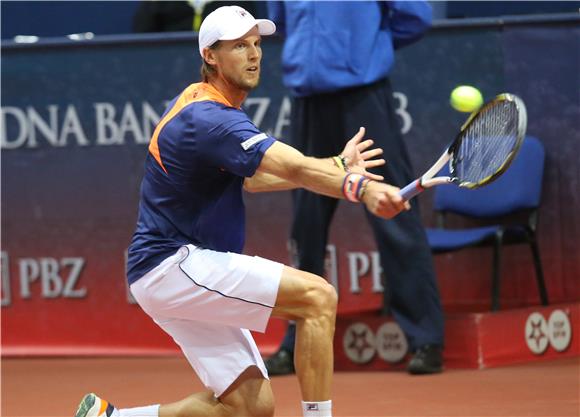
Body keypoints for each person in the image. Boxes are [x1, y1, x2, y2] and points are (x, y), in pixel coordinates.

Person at [75, 6, 408, 417]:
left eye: (256, 44)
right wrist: (362, 188)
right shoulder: (209, 119)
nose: (253, 55)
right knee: (318, 298)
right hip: (174, 264)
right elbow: (293, 166)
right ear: (210, 56)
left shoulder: (203, 102)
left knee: (250, 409)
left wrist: (335, 168)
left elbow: (255, 179)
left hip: (164, 273)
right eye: (238, 46)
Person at [264, 1, 445, 376]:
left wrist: (366, 52)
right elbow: (280, 23)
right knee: (306, 225)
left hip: (364, 98)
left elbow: (416, 17)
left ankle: (425, 338)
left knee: (393, 211)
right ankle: (296, 340)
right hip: (307, 101)